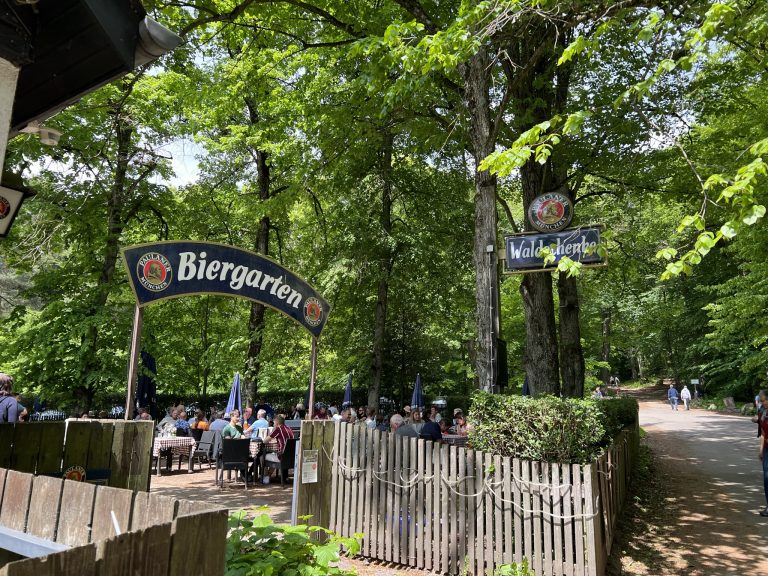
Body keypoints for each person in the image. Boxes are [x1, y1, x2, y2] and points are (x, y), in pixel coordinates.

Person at [758, 396, 768, 516]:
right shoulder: (764, 414)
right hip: (766, 449)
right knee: (766, 477)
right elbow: (763, 432)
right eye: (762, 401)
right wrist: (761, 449)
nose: (763, 402)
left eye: (765, 400)